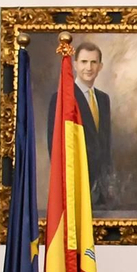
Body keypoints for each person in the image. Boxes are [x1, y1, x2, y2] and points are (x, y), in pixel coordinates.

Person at [45, 39, 113, 205]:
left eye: (93, 62)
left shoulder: (103, 99)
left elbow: (105, 142)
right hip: (74, 182)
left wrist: (107, 179)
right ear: (75, 65)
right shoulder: (62, 98)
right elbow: (54, 143)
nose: (88, 68)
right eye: (83, 62)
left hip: (100, 188)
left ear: (100, 66)